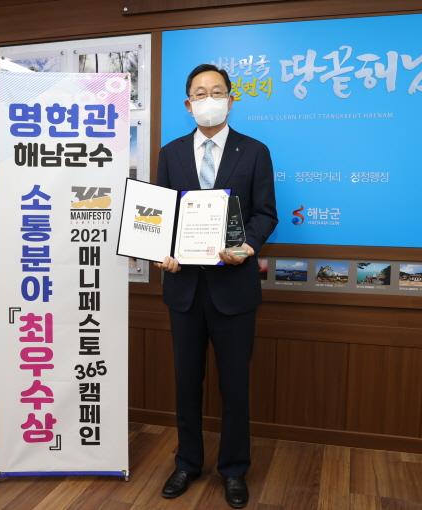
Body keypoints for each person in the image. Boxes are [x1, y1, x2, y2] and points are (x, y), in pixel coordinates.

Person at [155, 63, 278, 509]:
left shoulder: (255, 151)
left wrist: (247, 246)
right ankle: (187, 462)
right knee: (186, 382)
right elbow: (162, 217)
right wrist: (162, 251)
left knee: (235, 385)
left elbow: (266, 213)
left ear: (231, 98)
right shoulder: (170, 154)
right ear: (188, 104)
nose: (209, 99)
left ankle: (234, 469)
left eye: (216, 91)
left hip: (234, 290)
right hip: (184, 289)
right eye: (200, 93)